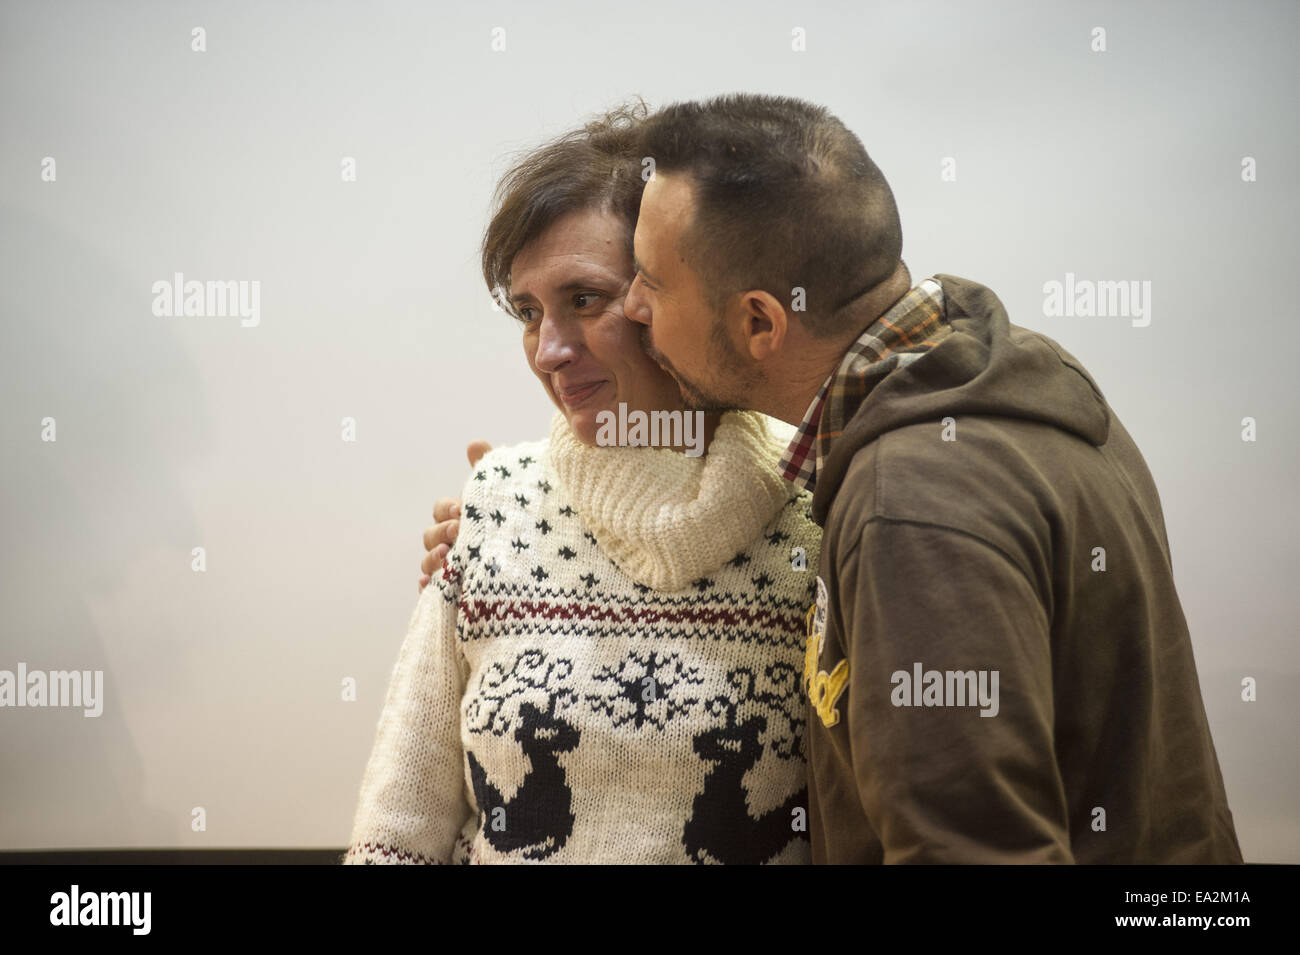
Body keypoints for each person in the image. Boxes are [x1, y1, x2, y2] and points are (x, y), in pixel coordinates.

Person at [617, 92, 1244, 863]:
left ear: (759, 324)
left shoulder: (911, 511)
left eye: (650, 279)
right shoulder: (1020, 382)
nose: (630, 303)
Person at [343, 103, 821, 864]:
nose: (548, 351)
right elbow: (401, 821)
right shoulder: (496, 502)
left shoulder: (817, 509)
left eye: (585, 299)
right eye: (528, 312)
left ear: (672, 296)